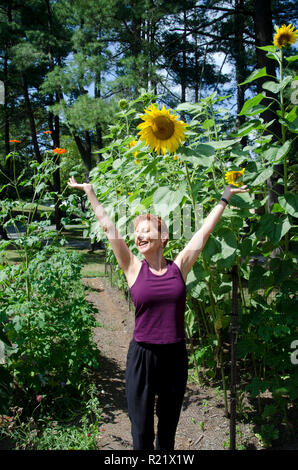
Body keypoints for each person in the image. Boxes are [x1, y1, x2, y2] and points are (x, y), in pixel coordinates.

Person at [67, 176, 249, 450]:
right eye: (136, 232)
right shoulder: (132, 267)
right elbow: (108, 228)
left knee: (167, 432)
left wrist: (224, 198)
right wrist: (90, 193)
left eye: (145, 231)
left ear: (163, 237)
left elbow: (202, 233)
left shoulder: (179, 268)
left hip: (174, 358)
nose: (138, 236)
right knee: (141, 433)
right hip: (142, 357)